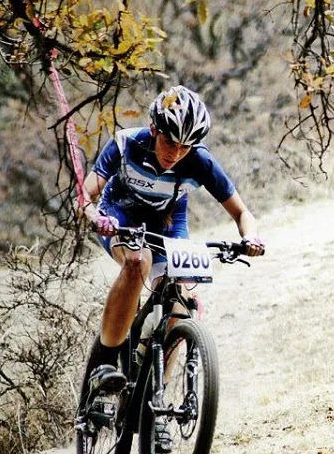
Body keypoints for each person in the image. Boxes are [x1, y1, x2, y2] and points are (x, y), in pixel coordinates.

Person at [78, 85, 264, 394]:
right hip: (120, 215)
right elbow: (85, 196)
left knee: (181, 303)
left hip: (167, 226)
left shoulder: (200, 161)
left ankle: (156, 399)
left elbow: (242, 212)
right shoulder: (126, 144)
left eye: (185, 147)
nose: (174, 154)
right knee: (138, 261)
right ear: (153, 129)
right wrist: (97, 218)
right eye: (169, 141)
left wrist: (251, 237)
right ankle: (106, 364)